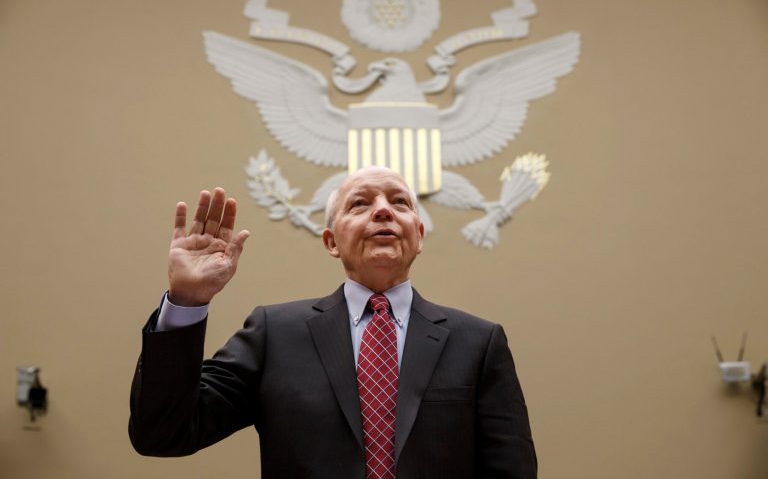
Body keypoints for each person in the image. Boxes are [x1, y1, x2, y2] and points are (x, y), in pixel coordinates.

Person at [129, 166, 537, 478]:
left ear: (419, 234)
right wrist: (187, 300)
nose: (382, 210)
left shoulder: (478, 342)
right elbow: (164, 434)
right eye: (360, 204)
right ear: (331, 242)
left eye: (399, 203)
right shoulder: (276, 334)